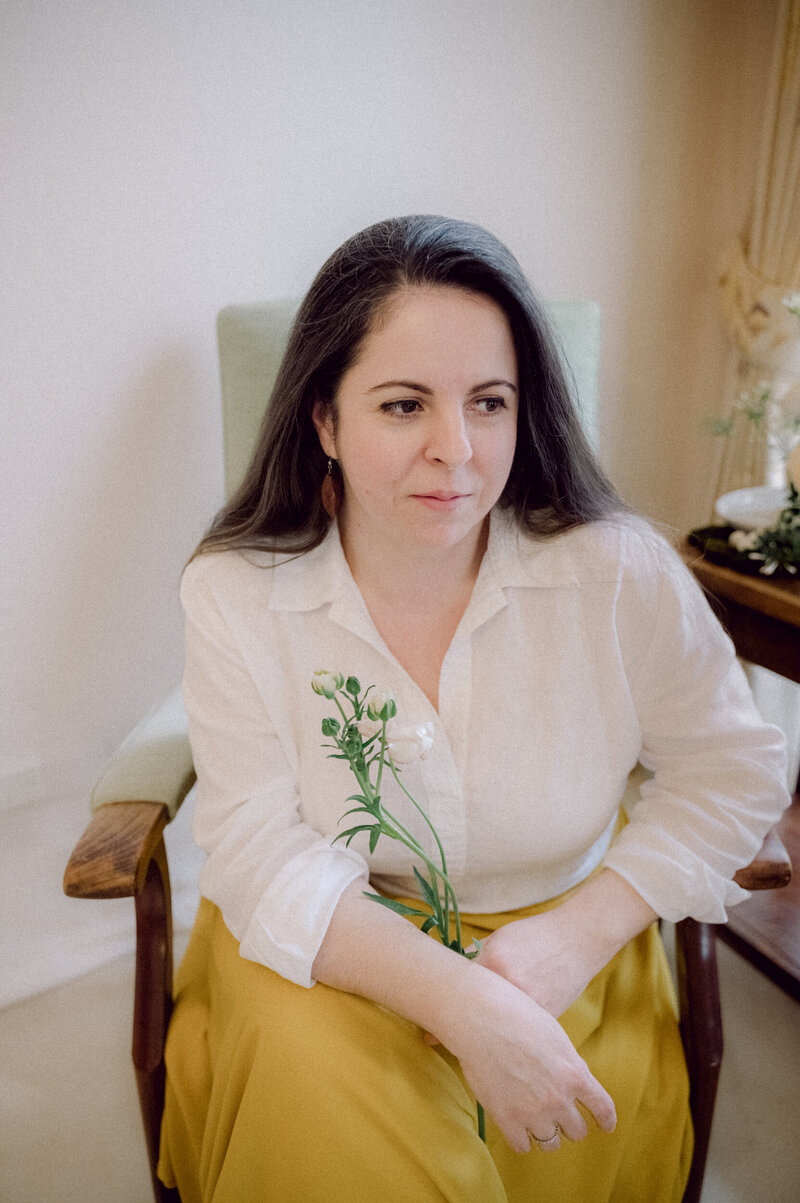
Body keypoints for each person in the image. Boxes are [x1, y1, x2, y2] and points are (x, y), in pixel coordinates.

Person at [158, 215, 790, 1202]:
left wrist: (578, 936)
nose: (454, 451)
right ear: (323, 419)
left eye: (487, 403)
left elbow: (733, 768)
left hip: (562, 952)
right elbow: (253, 846)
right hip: (328, 948)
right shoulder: (234, 589)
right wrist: (460, 1004)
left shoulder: (615, 571)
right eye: (403, 405)